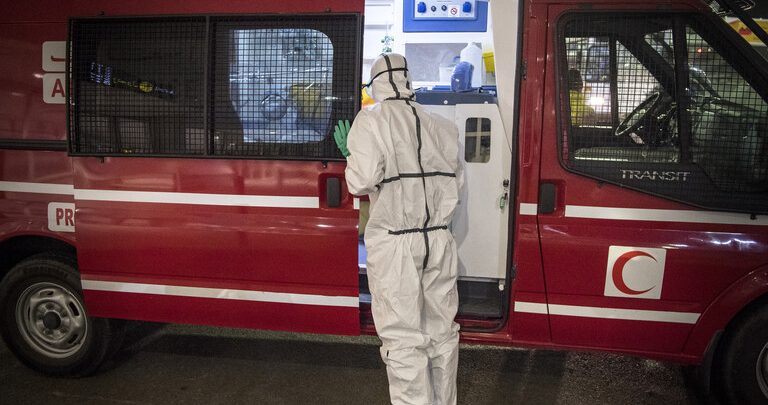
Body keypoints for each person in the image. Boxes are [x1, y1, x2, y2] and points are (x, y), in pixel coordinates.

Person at [333, 53, 463, 405]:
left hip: (395, 245)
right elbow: (457, 186)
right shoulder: (443, 126)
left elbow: (360, 182)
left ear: (375, 84)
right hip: (439, 240)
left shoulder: (370, 122)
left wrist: (350, 155)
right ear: (408, 81)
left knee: (403, 340)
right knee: (442, 334)